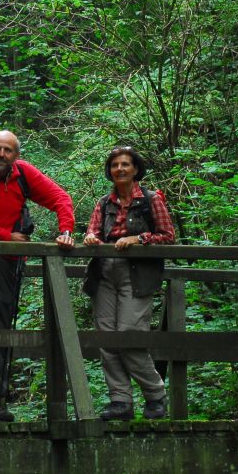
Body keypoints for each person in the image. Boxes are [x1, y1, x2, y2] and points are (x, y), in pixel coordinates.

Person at [0, 130, 76, 422]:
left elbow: (61, 198)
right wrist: (7, 236)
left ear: (16, 155)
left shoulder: (23, 174)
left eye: (7, 150)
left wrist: (65, 232)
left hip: (9, 258)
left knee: (2, 326)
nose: (1, 154)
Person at [82, 146, 176, 421]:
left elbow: (167, 236)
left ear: (136, 169)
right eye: (115, 165)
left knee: (129, 337)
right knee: (107, 338)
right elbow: (94, 230)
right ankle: (120, 400)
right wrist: (90, 238)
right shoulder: (104, 203)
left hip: (136, 274)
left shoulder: (150, 200)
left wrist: (139, 239)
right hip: (104, 273)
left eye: (125, 164)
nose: (120, 169)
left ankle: (155, 395)